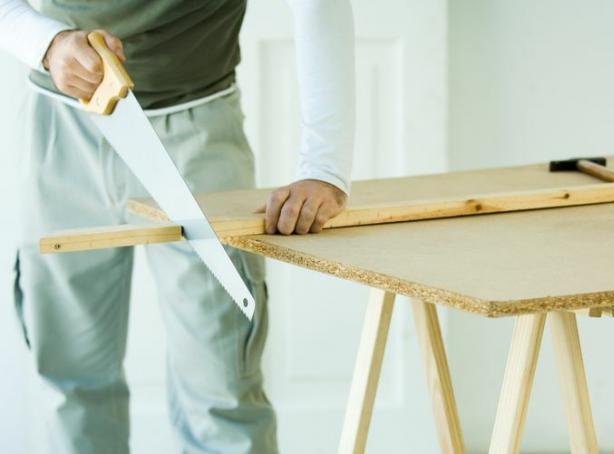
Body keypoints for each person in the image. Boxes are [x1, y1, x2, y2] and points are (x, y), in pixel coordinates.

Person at [0, 0, 355, 452]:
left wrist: (325, 167)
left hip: (196, 127)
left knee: (222, 389)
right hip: (60, 127)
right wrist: (46, 43)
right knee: (70, 386)